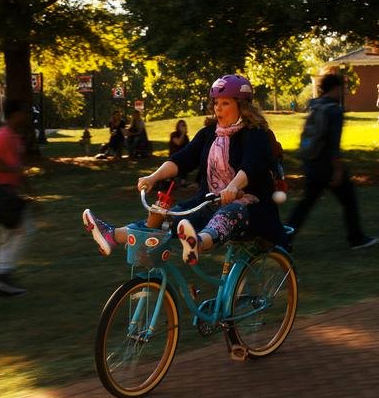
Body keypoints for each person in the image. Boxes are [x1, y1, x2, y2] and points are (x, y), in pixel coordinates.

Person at [83, 74, 288, 264]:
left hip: (252, 210)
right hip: (209, 204)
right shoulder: (209, 133)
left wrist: (233, 187)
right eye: (216, 103)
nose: (218, 108)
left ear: (242, 106)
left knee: (230, 212)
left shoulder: (255, 133)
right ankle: (113, 235)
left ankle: (197, 243)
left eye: (225, 103)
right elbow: (182, 159)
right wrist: (154, 177)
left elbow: (251, 166)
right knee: (167, 217)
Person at [286, 74, 378, 250]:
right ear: (335, 88)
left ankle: (284, 239)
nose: (343, 91)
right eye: (341, 88)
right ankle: (356, 238)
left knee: (306, 203)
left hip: (312, 161)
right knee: (349, 200)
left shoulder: (316, 106)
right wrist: (337, 170)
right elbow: (333, 143)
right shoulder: (334, 110)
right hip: (326, 164)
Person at [0, 99, 33, 296]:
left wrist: (29, 191)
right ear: (13, 115)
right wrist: (11, 169)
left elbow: (20, 168)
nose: (25, 116)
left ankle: (2, 277)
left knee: (9, 235)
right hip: (1, 194)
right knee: (22, 230)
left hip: (12, 193)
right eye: (22, 113)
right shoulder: (1, 136)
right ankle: (2, 274)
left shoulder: (15, 137)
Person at [168, 119, 191, 187]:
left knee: (186, 161)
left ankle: (182, 181)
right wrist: (183, 133)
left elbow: (188, 148)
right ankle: (170, 180)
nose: (183, 127)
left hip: (182, 156)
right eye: (181, 126)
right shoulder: (174, 134)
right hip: (174, 156)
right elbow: (178, 143)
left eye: (184, 125)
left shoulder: (186, 137)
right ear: (178, 127)